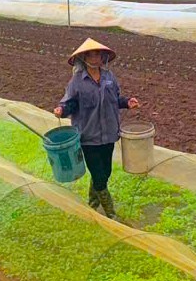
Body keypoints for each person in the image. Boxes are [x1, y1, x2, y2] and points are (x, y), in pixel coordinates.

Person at [53, 38, 140, 218]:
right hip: (88, 136)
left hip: (108, 134)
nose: (95, 58)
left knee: (105, 171)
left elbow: (115, 100)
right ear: (84, 58)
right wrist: (62, 110)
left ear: (103, 57)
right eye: (91, 55)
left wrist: (127, 102)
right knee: (99, 177)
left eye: (98, 54)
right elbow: (69, 103)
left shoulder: (109, 77)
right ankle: (110, 213)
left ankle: (93, 202)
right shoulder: (77, 81)